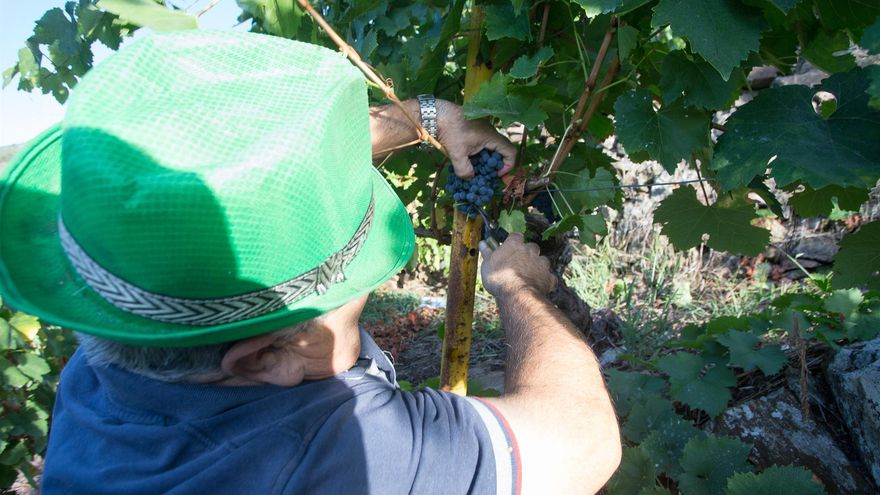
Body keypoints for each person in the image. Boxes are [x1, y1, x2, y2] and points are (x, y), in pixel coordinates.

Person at [0, 31, 620, 494]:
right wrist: (522, 290)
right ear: (266, 360)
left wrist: (432, 117)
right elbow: (585, 445)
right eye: (358, 289)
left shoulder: (103, 370)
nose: (371, 291)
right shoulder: (339, 450)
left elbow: (251, 181)